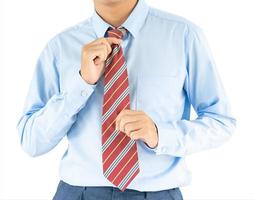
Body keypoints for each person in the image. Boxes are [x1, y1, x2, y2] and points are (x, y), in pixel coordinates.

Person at [17, 0, 236, 199]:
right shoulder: (59, 47)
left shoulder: (183, 36)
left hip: (157, 194)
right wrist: (81, 84)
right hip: (77, 193)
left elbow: (221, 122)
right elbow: (32, 141)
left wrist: (160, 134)